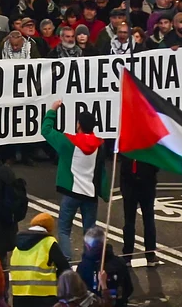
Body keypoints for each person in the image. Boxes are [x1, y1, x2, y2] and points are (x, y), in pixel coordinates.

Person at [41, 100, 108, 260]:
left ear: (79, 125)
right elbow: (102, 172)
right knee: (89, 229)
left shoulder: (67, 141)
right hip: (90, 195)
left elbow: (46, 130)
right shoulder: (100, 145)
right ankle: (90, 260)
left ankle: (66, 260)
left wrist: (53, 110)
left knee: (64, 229)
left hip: (71, 192)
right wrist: (105, 193)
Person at [76, 227, 133, 307]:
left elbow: (79, 295)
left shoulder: (82, 267)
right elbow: (128, 288)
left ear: (87, 246)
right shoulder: (119, 263)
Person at [120, 155, 158, 266]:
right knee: (149, 220)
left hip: (129, 186)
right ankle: (150, 255)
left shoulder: (128, 144)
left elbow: (123, 164)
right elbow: (156, 164)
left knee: (129, 222)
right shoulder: (149, 144)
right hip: (147, 185)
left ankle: (127, 256)